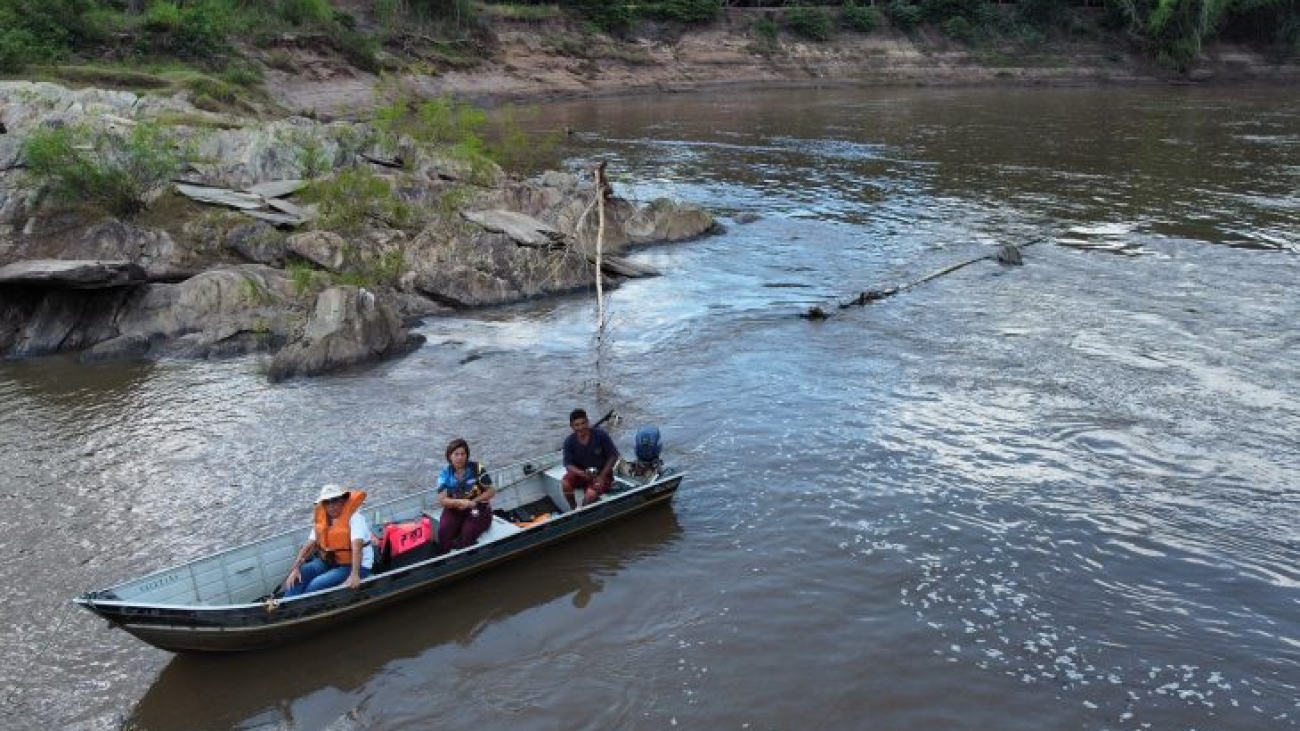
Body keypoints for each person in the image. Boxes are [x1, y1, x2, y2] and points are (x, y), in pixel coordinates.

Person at [282, 484, 374, 598]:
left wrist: (355, 575)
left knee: (315, 585)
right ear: (323, 504)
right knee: (301, 573)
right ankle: (286, 604)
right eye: (327, 502)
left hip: (355, 566)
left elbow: (357, 547)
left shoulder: (356, 519)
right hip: (330, 562)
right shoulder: (323, 520)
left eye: (335, 500)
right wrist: (295, 569)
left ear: (343, 500)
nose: (331, 506)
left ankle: (303, 607)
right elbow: (309, 545)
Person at [436, 438, 495, 550]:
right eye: (456, 454)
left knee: (467, 534)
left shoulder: (477, 468)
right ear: (449, 456)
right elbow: (442, 500)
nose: (460, 457)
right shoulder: (444, 474)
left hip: (478, 508)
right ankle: (444, 557)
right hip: (455, 508)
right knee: (444, 532)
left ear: (467, 455)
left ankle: (464, 556)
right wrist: (460, 502)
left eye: (463, 454)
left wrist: (473, 502)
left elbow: (491, 491)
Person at [562, 408, 620, 509]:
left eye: (583, 423)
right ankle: (573, 508)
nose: (581, 427)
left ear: (588, 422)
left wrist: (602, 476)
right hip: (582, 475)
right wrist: (581, 473)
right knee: (565, 483)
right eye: (577, 425)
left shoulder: (601, 436)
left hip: (602, 475)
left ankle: (581, 513)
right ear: (571, 426)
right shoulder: (569, 441)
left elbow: (613, 456)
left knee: (590, 494)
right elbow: (568, 464)